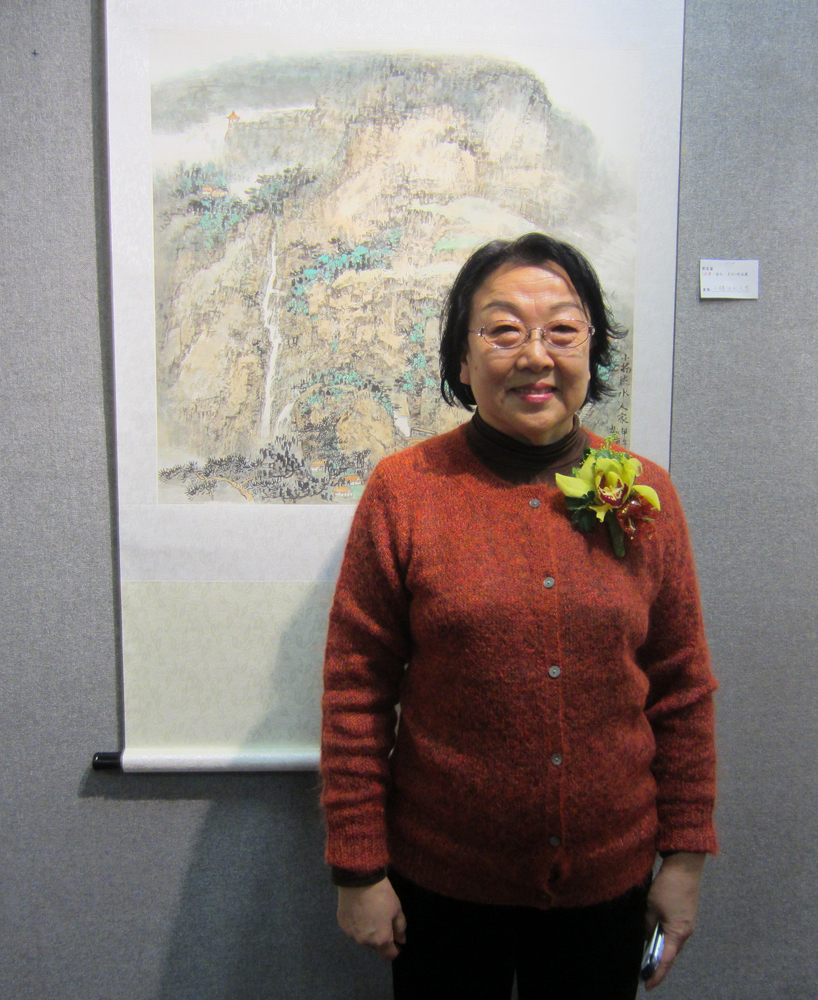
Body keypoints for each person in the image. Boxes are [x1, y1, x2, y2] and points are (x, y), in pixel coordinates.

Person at [320, 233, 717, 999]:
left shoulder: (647, 494)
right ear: (462, 361)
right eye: (503, 331)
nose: (536, 355)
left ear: (592, 352)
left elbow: (683, 690)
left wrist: (685, 860)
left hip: (608, 884)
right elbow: (355, 691)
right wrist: (357, 869)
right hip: (441, 886)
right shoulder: (404, 492)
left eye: (562, 330)